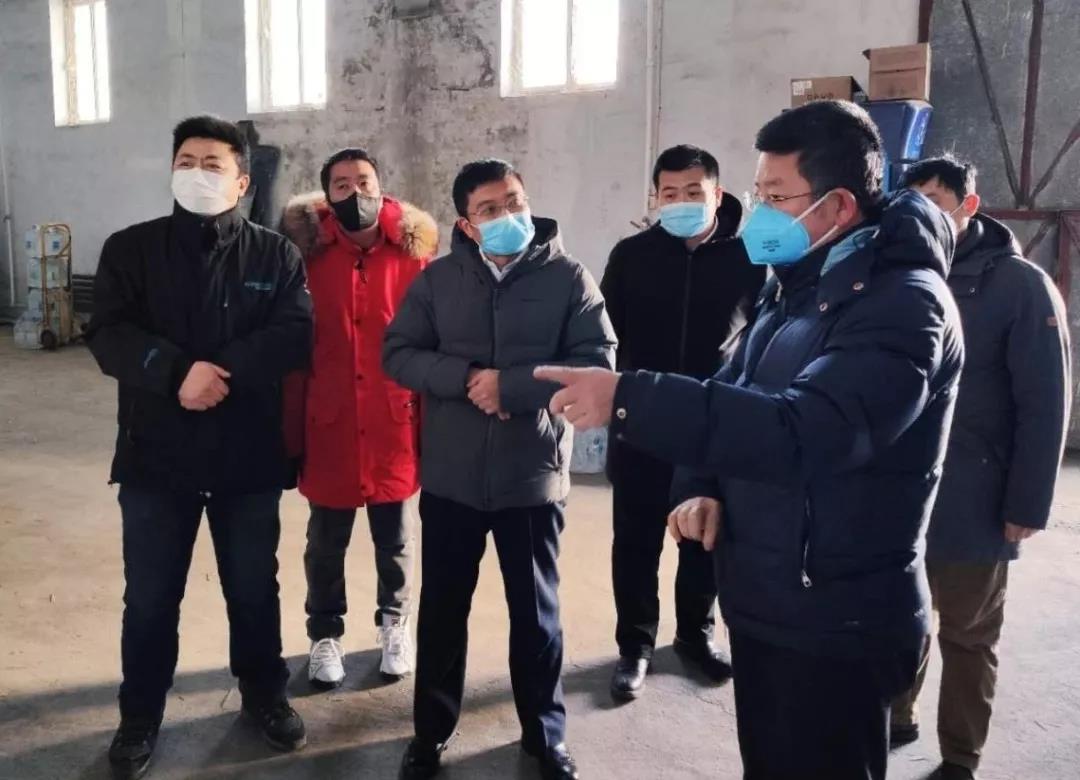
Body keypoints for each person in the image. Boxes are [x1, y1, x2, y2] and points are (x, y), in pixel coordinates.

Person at [535, 100, 965, 780]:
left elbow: (807, 431)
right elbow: (735, 386)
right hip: (770, 597)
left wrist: (630, 397)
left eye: (776, 196)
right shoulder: (793, 288)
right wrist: (702, 484)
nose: (759, 212)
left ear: (837, 205)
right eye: (758, 192)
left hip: (837, 615)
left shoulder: (903, 304)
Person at [86, 116, 313, 780]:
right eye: (186, 161)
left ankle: (265, 695)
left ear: (242, 182)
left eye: (213, 164)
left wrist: (221, 373)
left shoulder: (275, 255)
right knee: (151, 596)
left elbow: (294, 333)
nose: (197, 172)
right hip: (156, 457)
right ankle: (139, 715)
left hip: (247, 456)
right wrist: (174, 372)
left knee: (253, 588)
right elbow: (108, 333)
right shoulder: (131, 250)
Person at [383, 158, 616, 780]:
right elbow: (398, 353)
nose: (507, 216)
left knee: (536, 615)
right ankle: (430, 733)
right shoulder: (439, 280)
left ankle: (545, 736)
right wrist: (464, 379)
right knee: (442, 612)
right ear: (467, 223)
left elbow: (597, 360)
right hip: (452, 478)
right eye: (489, 209)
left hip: (531, 476)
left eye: (514, 202)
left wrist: (511, 387)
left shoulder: (569, 278)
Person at [888, 156, 1071, 780]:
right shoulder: (899, 271)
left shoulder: (1018, 286)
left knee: (967, 633)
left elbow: (1045, 403)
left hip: (977, 495)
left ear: (969, 205)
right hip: (900, 493)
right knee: (900, 616)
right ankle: (896, 715)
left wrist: (1027, 504)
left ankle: (960, 756)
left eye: (936, 203)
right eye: (912, 203)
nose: (923, 217)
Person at [600, 144, 764, 700]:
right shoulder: (631, 256)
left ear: (718, 194)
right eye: (669, 193)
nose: (681, 202)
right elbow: (606, 336)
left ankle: (695, 635)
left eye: (694, 192)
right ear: (655, 198)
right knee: (636, 541)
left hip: (712, 422)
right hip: (641, 421)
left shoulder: (750, 258)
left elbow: (760, 338)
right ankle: (635, 645)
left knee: (704, 538)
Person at [281, 148, 438, 687]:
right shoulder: (305, 257)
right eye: (342, 185)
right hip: (329, 422)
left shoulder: (412, 257)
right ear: (327, 196)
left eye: (364, 181)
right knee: (326, 543)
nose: (355, 192)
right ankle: (325, 634)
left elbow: (432, 341)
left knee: (396, 539)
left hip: (393, 419)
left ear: (381, 186)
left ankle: (395, 624)